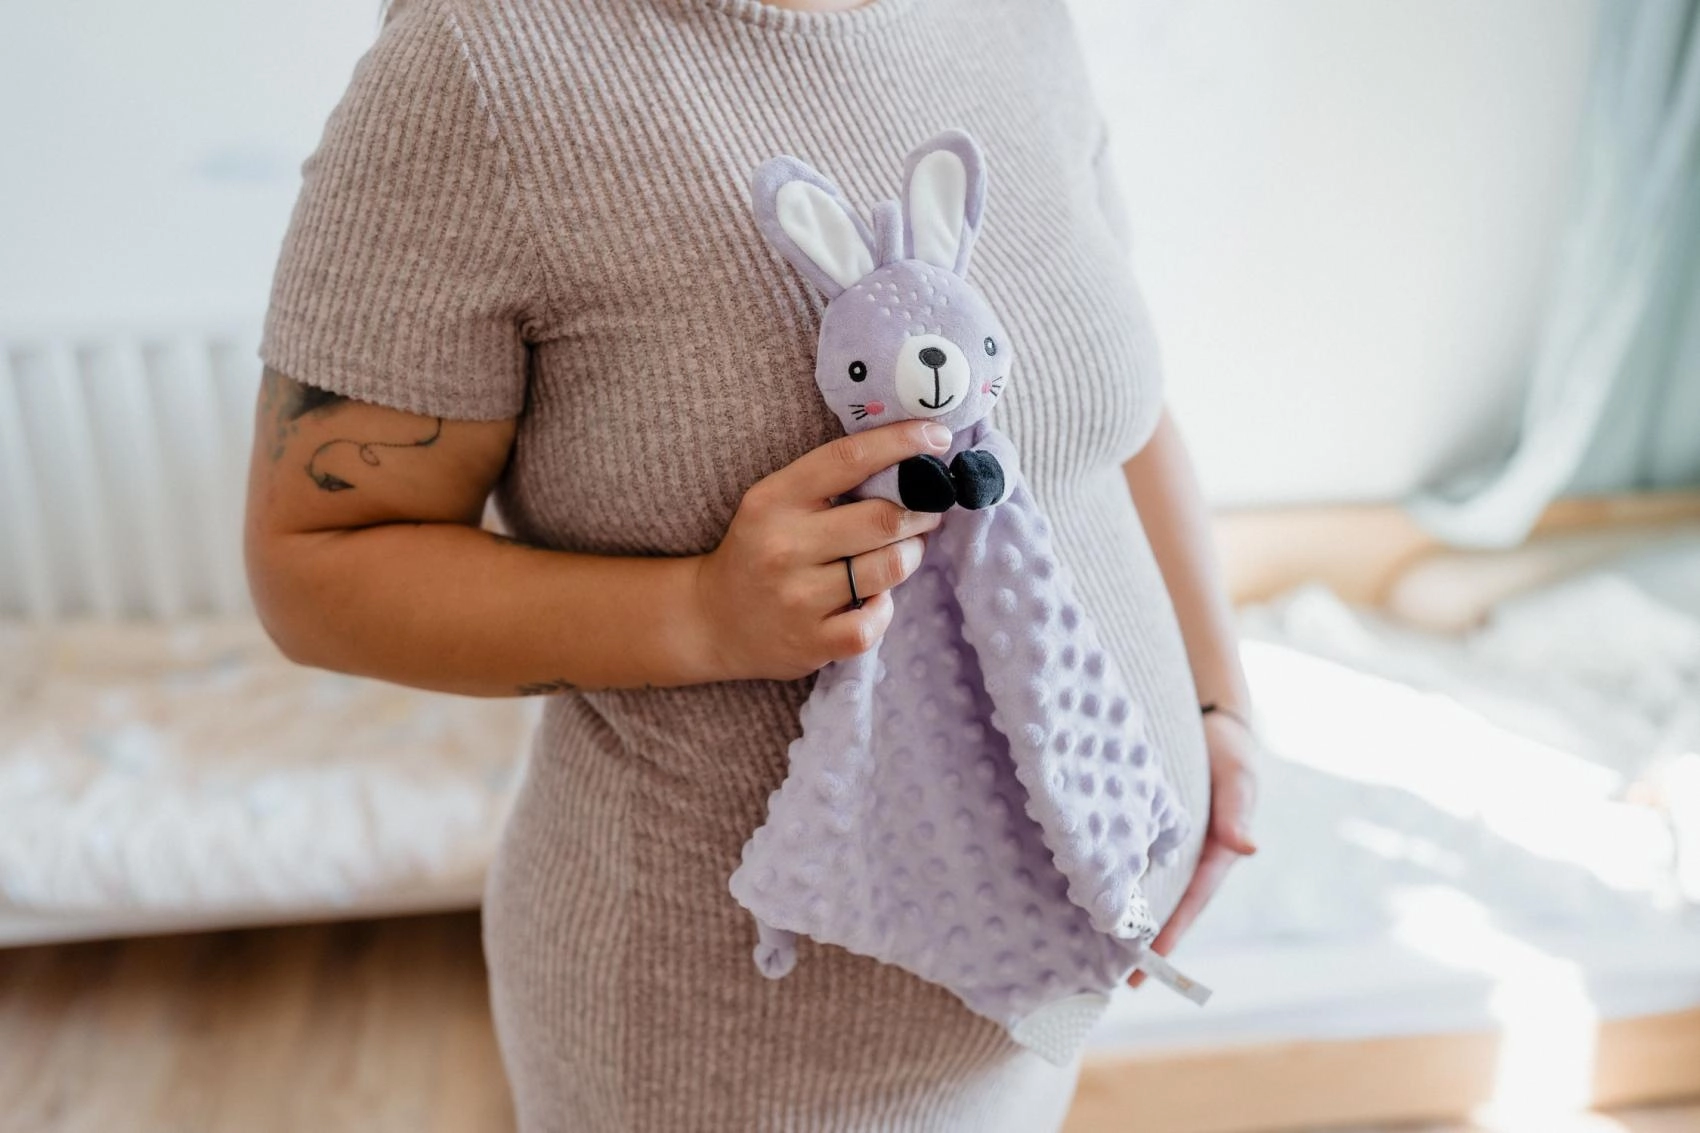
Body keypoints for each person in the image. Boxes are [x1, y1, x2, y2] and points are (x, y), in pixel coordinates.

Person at [242, 0, 1260, 1128]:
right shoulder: (479, 62)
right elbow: (311, 564)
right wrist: (698, 613)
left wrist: (1219, 702)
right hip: (729, 1054)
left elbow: (1114, 411)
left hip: (1050, 992)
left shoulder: (1017, 18)